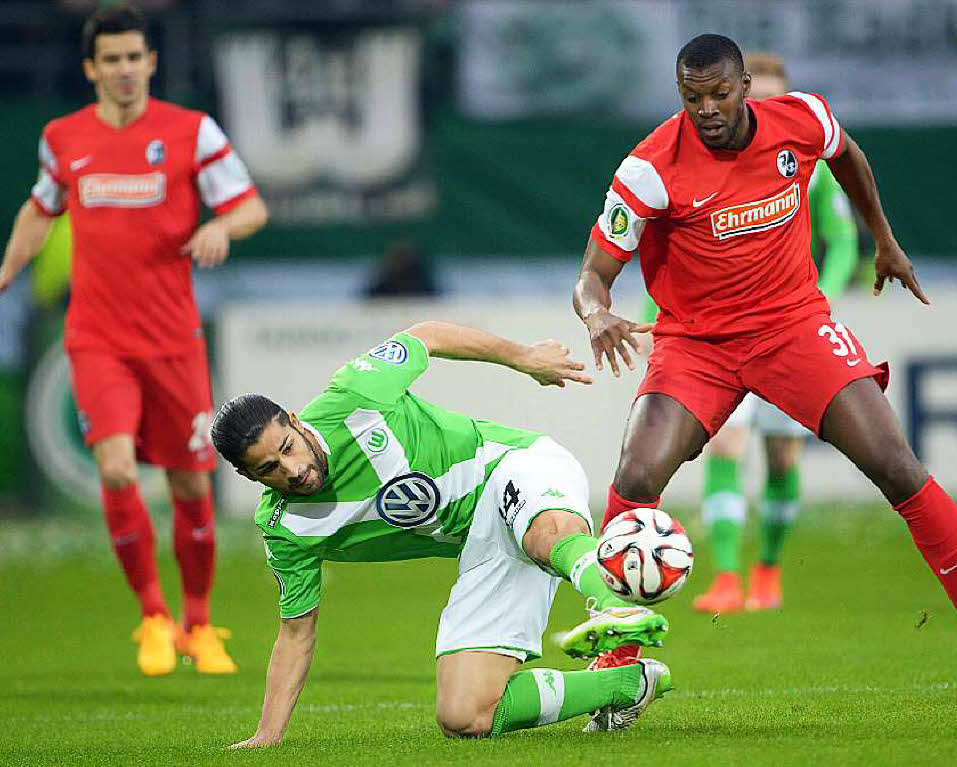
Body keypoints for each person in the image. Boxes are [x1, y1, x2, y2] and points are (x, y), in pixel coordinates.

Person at [571, 33, 957, 717]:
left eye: (719, 94)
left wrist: (885, 240)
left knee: (898, 467)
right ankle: (619, 655)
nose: (707, 110)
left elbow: (850, 157)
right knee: (635, 476)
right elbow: (591, 276)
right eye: (692, 98)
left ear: (746, 84)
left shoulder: (802, 120)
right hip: (698, 344)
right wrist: (595, 314)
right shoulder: (649, 168)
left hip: (792, 328)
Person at [211, 322, 673, 746]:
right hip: (482, 545)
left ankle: (613, 607)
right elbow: (295, 633)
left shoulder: (354, 394)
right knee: (464, 715)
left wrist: (524, 357)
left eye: (288, 448)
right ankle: (629, 683)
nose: (293, 470)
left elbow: (427, 335)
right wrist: (267, 735)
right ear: (249, 476)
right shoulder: (285, 528)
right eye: (269, 468)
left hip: (512, 465)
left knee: (543, 537)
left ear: (294, 420)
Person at [0, 3, 268, 675]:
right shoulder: (64, 138)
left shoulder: (190, 132)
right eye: (111, 59)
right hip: (96, 337)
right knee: (116, 469)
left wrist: (220, 228)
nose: (124, 70)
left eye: (134, 57)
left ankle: (200, 622)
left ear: (151, 61)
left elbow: (251, 206)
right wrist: (6, 269)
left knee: (188, 483)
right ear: (91, 69)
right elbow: (41, 207)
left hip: (173, 339)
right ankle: (152, 614)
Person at [686, 52, 860, 614]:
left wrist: (819, 300)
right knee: (726, 446)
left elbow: (844, 239)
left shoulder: (807, 161)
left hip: (788, 331)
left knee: (782, 457)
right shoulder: (706, 164)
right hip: (724, 334)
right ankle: (728, 578)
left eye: (777, 98)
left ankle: (768, 569)